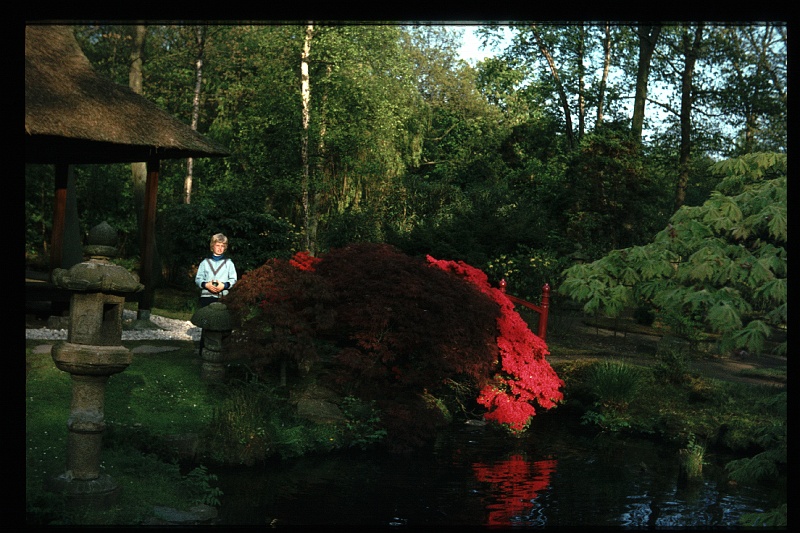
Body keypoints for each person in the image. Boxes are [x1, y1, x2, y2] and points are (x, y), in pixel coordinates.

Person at [195, 233, 237, 308]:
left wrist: (224, 286)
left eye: (222, 246)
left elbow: (233, 279)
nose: (220, 248)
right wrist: (206, 285)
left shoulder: (229, 263)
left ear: (225, 247)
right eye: (217, 245)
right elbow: (198, 279)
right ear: (212, 246)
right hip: (206, 296)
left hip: (223, 297)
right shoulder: (205, 262)